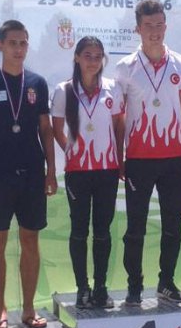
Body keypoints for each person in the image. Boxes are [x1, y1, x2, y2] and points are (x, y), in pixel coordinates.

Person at [0, 19, 57, 328]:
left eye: (23, 43)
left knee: (30, 239)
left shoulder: (37, 83)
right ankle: (0, 309)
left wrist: (51, 171)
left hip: (32, 174)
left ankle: (29, 308)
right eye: (13, 43)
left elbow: (46, 129)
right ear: (0, 46)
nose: (18, 49)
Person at [115, 0, 181, 306]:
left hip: (174, 159)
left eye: (159, 24)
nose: (155, 31)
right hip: (138, 159)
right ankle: (134, 286)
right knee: (135, 228)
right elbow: (120, 116)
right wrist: (120, 155)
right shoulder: (125, 68)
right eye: (148, 25)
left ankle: (166, 282)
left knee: (173, 225)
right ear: (138, 29)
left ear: (166, 26)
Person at [51, 36, 125, 309]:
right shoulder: (64, 90)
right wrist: (71, 151)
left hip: (107, 170)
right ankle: (83, 288)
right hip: (77, 172)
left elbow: (119, 126)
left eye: (98, 56)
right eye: (87, 56)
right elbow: (56, 129)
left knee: (103, 231)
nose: (93, 62)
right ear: (77, 58)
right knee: (79, 230)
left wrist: (119, 157)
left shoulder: (113, 88)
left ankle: (101, 287)